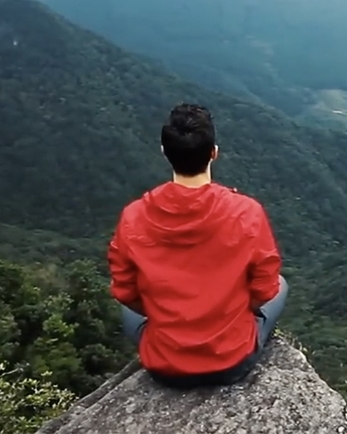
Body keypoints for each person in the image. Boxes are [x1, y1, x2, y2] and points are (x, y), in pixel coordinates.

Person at [107, 103, 288, 388]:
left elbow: (125, 291)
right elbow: (265, 288)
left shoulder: (134, 216)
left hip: (165, 366)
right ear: (214, 153)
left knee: (127, 307)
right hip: (231, 361)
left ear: (165, 152)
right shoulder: (246, 213)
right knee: (281, 285)